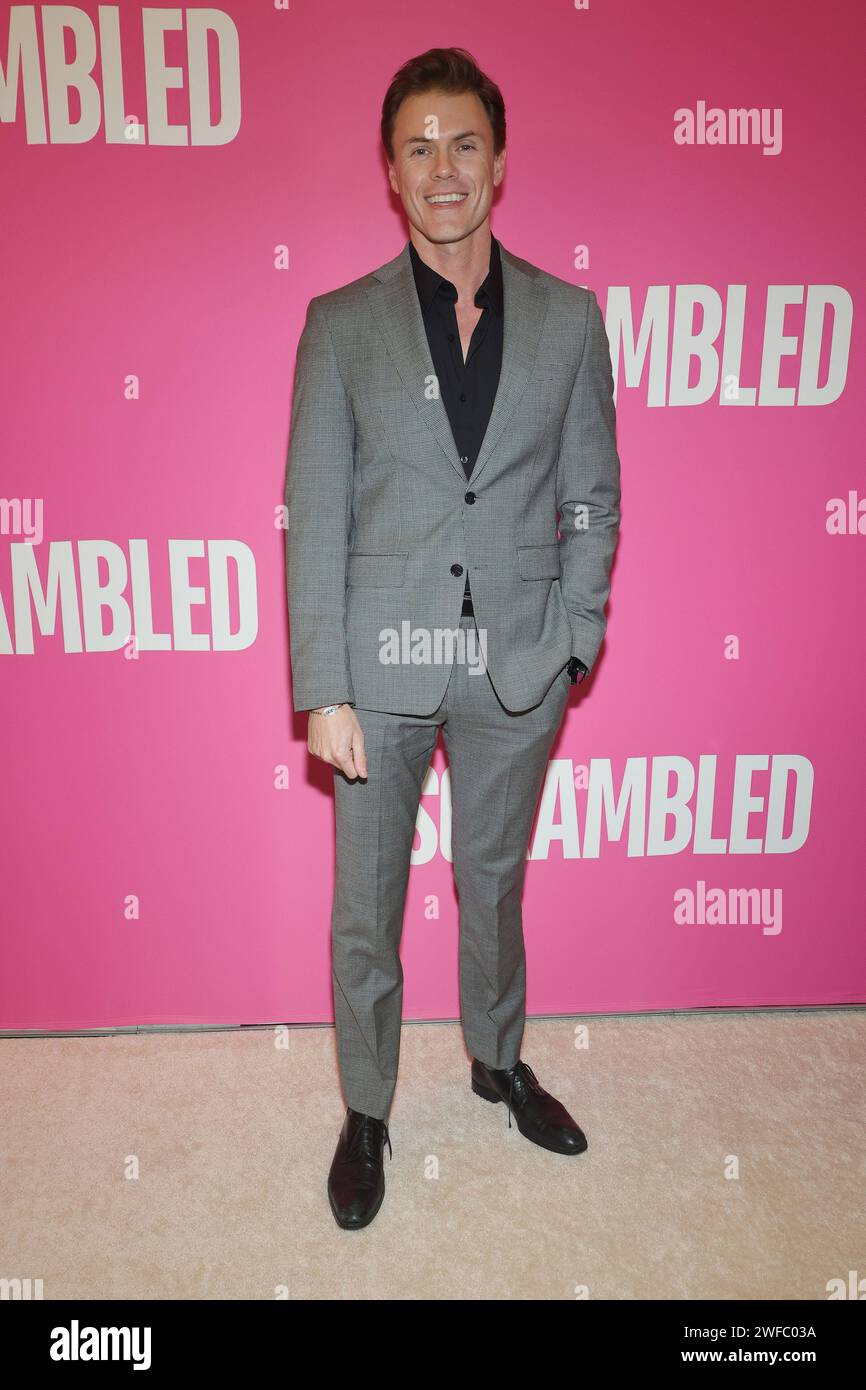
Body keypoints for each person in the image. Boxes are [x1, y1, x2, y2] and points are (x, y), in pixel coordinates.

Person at [284, 47, 621, 1229]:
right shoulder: (338, 325)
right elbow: (315, 511)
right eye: (418, 145)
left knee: (493, 883)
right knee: (365, 901)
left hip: (518, 661)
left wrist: (575, 632)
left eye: (463, 142)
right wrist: (321, 684)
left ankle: (495, 1060)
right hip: (377, 666)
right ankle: (366, 1107)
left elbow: (593, 494)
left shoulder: (571, 319)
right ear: (390, 170)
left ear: (498, 161)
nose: (443, 166)